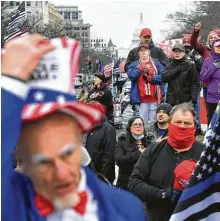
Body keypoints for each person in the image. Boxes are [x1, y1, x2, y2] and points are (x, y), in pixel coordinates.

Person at [1, 34, 145, 221]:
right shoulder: (10, 207)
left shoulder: (127, 208)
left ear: (79, 139)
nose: (62, 174)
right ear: (21, 159)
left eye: (68, 153)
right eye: (43, 162)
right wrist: (9, 85)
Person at [128, 103, 205, 221]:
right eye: (178, 122)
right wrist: (162, 194)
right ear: (169, 124)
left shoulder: (205, 154)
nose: (182, 126)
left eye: (187, 123)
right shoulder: (153, 150)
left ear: (194, 127)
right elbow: (134, 183)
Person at [127, 43, 164, 123]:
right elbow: (131, 76)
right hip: (141, 99)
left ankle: (153, 135)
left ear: (149, 52)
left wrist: (151, 78)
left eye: (145, 50)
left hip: (155, 98)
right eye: (141, 50)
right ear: (138, 53)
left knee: (154, 121)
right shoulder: (134, 64)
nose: (143, 52)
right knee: (142, 121)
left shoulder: (156, 63)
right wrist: (140, 68)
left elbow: (164, 77)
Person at [115, 116, 149, 190]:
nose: (138, 127)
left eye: (140, 124)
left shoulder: (148, 143)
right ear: (129, 128)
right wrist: (139, 153)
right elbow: (119, 161)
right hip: (126, 184)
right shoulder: (122, 143)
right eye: (135, 124)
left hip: (144, 184)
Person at [161, 43, 199, 107]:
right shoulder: (169, 65)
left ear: (184, 53)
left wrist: (193, 99)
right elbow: (164, 78)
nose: (177, 53)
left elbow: (195, 83)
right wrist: (179, 69)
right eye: (175, 51)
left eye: (179, 51)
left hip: (186, 100)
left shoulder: (190, 65)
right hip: (172, 100)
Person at [85, 116, 116, 184]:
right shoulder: (89, 127)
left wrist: (103, 178)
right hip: (90, 175)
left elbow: (109, 157)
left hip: (101, 177)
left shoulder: (108, 129)